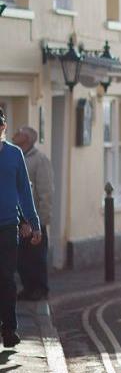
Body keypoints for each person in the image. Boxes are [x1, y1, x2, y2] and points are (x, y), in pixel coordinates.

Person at [0, 108, 40, 348]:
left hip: (7, 225)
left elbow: (25, 191)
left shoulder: (15, 155)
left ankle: (9, 328)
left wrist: (33, 223)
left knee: (6, 277)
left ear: (3, 127)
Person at [12, 127, 52, 301]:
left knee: (36, 257)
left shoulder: (39, 160)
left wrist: (42, 221)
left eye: (19, 132)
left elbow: (46, 191)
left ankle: (40, 289)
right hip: (18, 219)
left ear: (27, 138)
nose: (15, 134)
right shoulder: (14, 156)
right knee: (22, 258)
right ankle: (28, 288)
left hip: (34, 218)